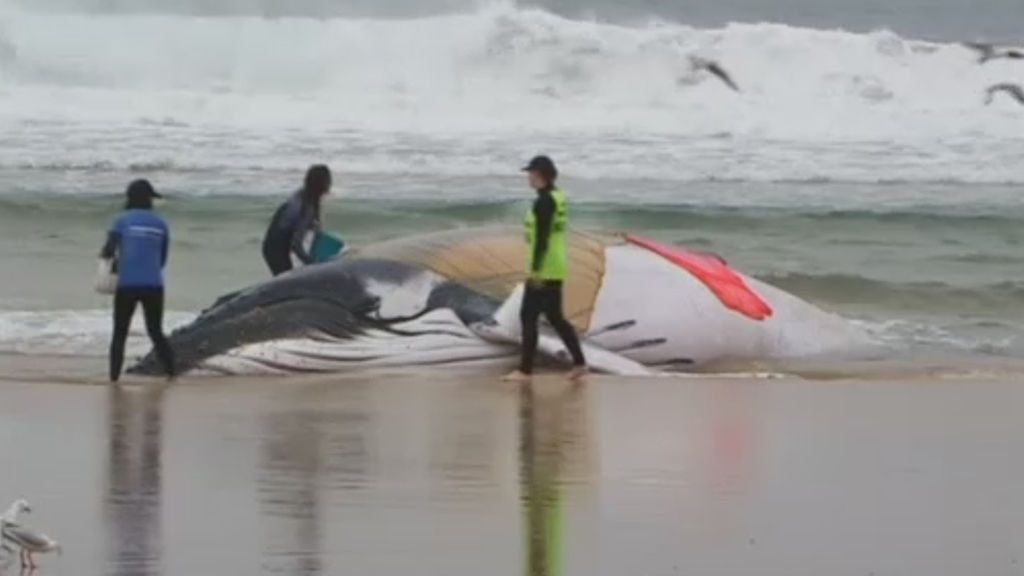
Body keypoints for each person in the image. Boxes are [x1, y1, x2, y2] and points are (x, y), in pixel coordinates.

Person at [504, 156, 588, 382]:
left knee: (528, 317)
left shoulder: (544, 202)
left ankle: (525, 371)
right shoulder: (557, 197)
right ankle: (580, 363)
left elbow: (542, 239)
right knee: (555, 317)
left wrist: (536, 271)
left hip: (545, 269)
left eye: (531, 173)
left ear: (539, 175)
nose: (528, 177)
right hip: (556, 266)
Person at [101, 179, 176, 383]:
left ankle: (113, 379)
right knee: (156, 331)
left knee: (120, 333)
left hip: (127, 284)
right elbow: (162, 259)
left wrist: (116, 260)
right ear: (149, 200)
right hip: (154, 284)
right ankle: (171, 375)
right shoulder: (161, 224)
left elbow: (108, 250)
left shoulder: (121, 221)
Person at [262, 165, 332, 276]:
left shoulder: (304, 195)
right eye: (328, 180)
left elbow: (314, 226)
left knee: (286, 279)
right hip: (275, 250)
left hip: (274, 246)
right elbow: (296, 244)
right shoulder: (304, 207)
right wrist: (310, 263)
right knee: (286, 281)